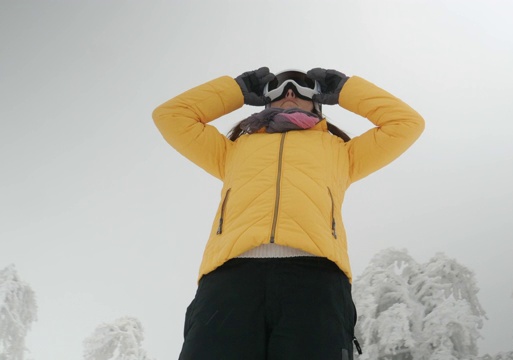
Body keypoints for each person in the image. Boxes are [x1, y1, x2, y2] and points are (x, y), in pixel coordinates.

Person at [153, 67, 425, 360]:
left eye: (302, 86)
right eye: (278, 86)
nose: (290, 91)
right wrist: (236, 90)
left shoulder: (341, 151)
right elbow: (171, 116)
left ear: (318, 99)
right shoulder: (233, 149)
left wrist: (346, 89)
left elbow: (406, 123)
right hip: (230, 280)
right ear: (266, 99)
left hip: (315, 280)